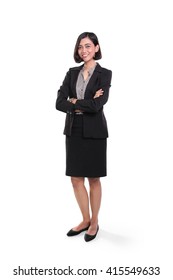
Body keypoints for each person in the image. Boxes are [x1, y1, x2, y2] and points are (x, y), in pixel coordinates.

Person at [55, 32, 112, 242]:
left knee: (94, 178)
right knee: (76, 178)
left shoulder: (104, 74)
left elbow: (98, 104)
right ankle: (85, 219)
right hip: (74, 129)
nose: (84, 51)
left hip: (95, 130)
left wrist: (74, 101)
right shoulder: (71, 73)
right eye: (80, 47)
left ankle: (95, 222)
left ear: (96, 48)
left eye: (88, 46)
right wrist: (83, 101)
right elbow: (59, 103)